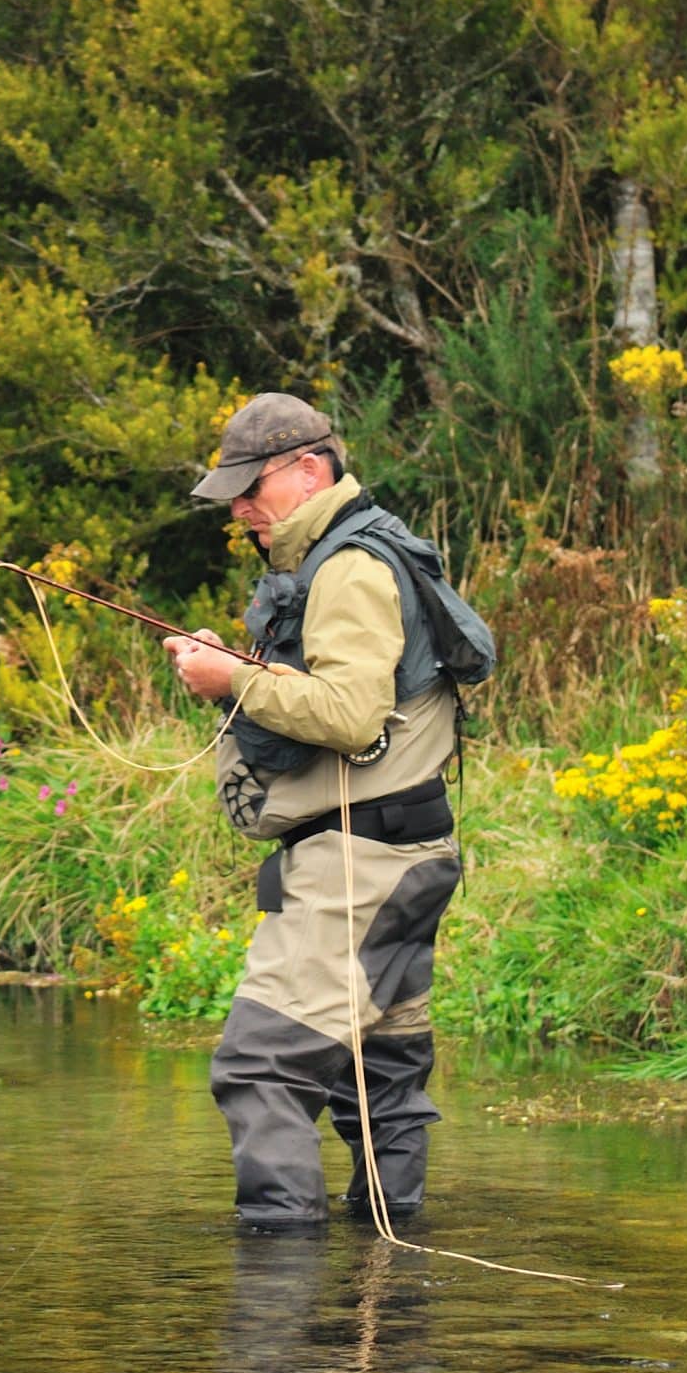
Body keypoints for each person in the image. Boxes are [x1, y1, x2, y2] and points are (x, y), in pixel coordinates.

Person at [162, 393, 485, 1229]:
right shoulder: (356, 554)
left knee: (263, 1067)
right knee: (382, 1083)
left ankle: (277, 1310)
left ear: (311, 469)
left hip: (358, 868)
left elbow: (348, 714)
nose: (238, 509)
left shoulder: (346, 568)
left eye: (249, 486)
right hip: (407, 857)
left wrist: (230, 679)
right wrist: (239, 669)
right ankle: (392, 1294)